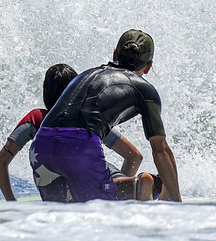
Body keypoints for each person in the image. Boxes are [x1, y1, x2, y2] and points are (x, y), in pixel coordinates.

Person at [29, 30, 182, 203]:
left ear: (115, 53)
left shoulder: (84, 75)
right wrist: (176, 200)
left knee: (63, 207)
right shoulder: (145, 90)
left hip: (42, 143)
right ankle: (138, 186)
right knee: (102, 204)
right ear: (148, 66)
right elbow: (160, 149)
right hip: (79, 145)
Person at [0, 63, 156, 201]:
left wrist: (11, 201)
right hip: (91, 168)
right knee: (107, 183)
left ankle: (75, 196)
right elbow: (134, 156)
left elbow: (1, 163)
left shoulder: (36, 117)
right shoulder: (88, 117)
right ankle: (130, 185)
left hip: (53, 176)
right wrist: (113, 199)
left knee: (58, 188)